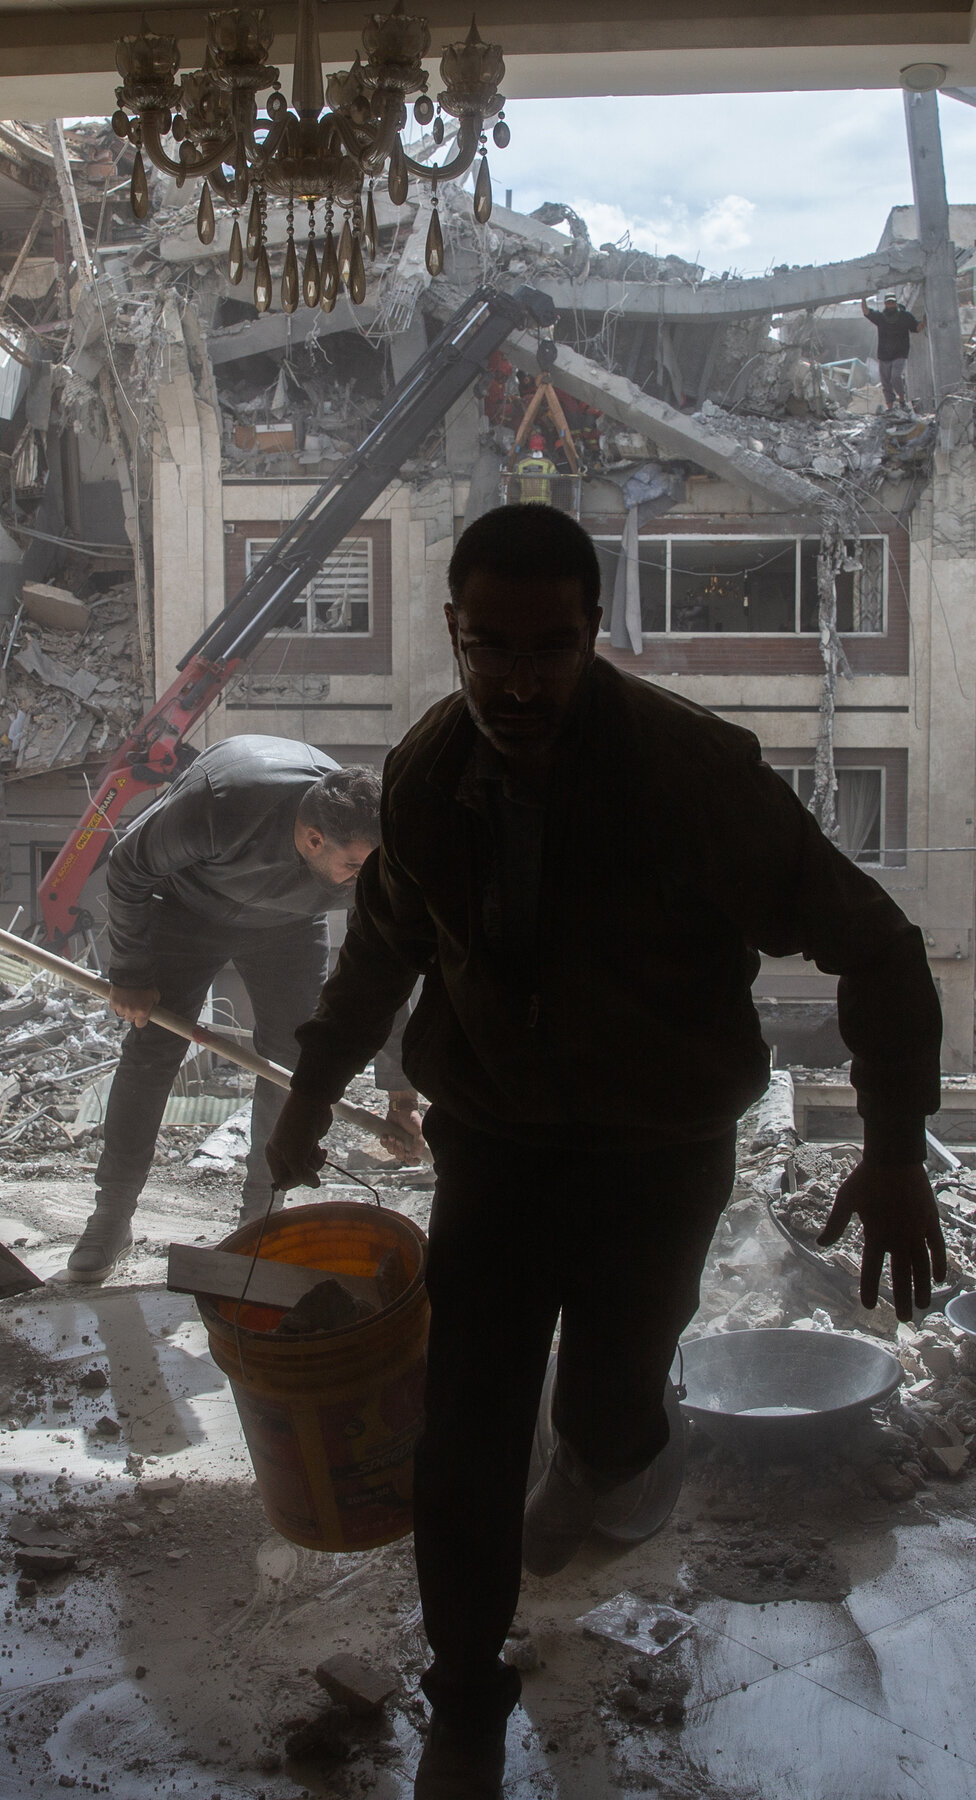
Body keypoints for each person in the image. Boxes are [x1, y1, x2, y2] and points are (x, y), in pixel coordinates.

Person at [266, 503, 946, 1800]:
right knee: (464, 1435)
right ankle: (466, 1699)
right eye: (493, 648)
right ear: (456, 635)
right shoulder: (427, 775)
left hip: (655, 1156)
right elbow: (385, 944)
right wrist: (313, 1087)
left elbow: (877, 943)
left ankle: (607, 1452)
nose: (520, 683)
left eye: (552, 648)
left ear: (593, 635)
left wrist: (897, 1148)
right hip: (497, 1149)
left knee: (609, 1406)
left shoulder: (694, 779)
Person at [64, 736, 423, 1284]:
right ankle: (111, 1215)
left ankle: (262, 1220)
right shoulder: (220, 803)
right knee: (152, 1051)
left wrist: (402, 1093)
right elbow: (128, 868)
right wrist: (131, 972)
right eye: (354, 867)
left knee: (289, 1063)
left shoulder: (375, 855)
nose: (364, 880)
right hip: (187, 912)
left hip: (289, 929)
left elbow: (384, 967)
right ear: (313, 838)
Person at [861, 290, 924, 411]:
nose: (890, 305)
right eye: (888, 303)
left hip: (900, 353)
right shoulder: (881, 317)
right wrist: (863, 299)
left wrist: (925, 321)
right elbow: (866, 312)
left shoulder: (905, 316)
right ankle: (890, 407)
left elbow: (916, 327)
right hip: (884, 355)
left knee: (895, 377)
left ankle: (901, 399)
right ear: (885, 304)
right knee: (885, 382)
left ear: (895, 303)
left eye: (892, 302)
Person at [512, 433, 557, 505]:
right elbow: (555, 479)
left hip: (526, 503)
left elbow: (517, 480)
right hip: (543, 503)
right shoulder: (548, 464)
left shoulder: (522, 464)